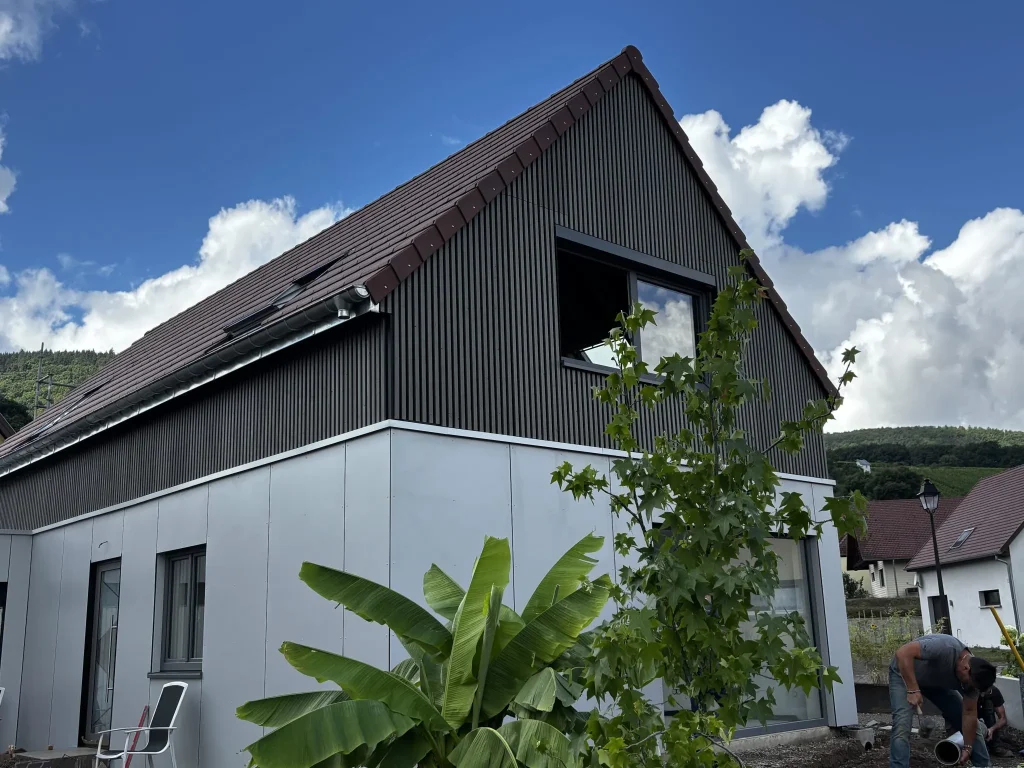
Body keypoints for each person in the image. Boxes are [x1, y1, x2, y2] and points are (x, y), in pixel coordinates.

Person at [889, 634, 997, 767]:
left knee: (971, 724)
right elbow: (903, 652)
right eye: (967, 684)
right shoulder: (946, 647)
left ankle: (983, 765)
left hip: (936, 682)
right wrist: (912, 689)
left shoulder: (974, 682)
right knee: (902, 724)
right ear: (965, 668)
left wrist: (968, 747)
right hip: (904, 674)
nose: (967, 688)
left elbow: (969, 714)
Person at [979, 685, 1011, 757]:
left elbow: (1003, 719)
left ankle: (994, 745)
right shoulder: (969, 688)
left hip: (984, 717)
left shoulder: (993, 691)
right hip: (970, 714)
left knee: (988, 703)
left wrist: (992, 729)